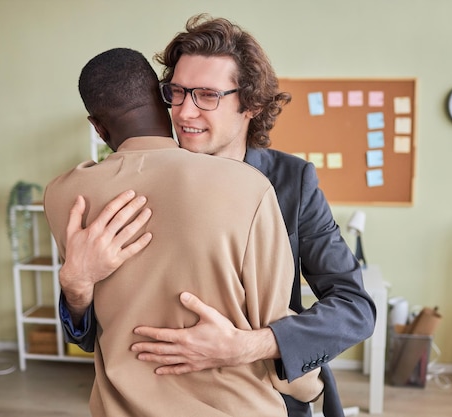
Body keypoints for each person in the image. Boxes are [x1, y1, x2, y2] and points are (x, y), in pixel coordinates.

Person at [58, 15, 377, 417]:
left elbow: (354, 308)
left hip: (270, 400)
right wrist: (76, 286)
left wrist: (248, 345)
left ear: (252, 105)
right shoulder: (133, 178)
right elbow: (91, 336)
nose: (183, 112)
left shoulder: (292, 182)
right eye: (176, 92)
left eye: (207, 95)